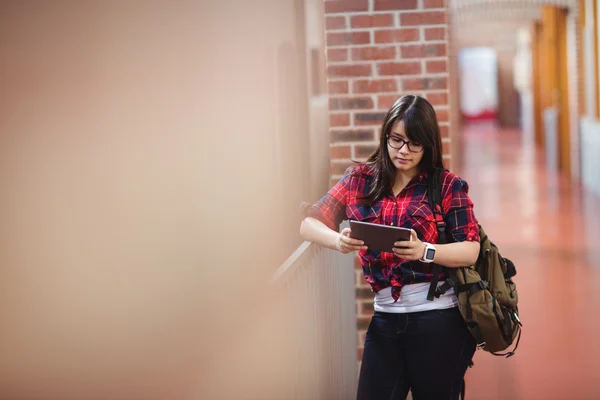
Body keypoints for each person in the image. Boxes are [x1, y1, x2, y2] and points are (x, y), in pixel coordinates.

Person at [299, 95, 481, 400]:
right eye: (396, 140)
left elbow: (470, 249)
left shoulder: (446, 185)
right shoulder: (360, 180)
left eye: (414, 143)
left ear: (428, 144)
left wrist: (425, 250)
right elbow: (308, 223)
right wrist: (339, 241)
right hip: (385, 320)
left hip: (438, 321)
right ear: (385, 136)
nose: (403, 151)